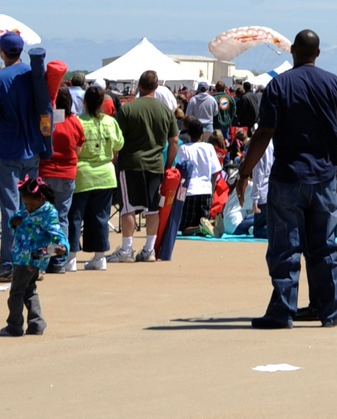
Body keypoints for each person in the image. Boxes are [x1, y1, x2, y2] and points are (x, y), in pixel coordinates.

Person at [236, 29, 337, 329]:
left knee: (286, 246)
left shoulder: (279, 85)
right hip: (324, 179)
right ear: (318, 53)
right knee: (325, 247)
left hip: (288, 177)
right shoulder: (335, 85)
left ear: (293, 50)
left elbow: (263, 133)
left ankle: (283, 310)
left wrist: (245, 172)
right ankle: (328, 311)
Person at [0, 32, 42, 283]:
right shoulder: (34, 76)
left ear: (2, 53)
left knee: (9, 210)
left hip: (6, 151)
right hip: (32, 150)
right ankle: (30, 263)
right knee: (32, 208)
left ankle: (8, 264)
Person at [111, 69, 178, 263]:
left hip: (131, 163)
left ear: (139, 86)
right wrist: (168, 164)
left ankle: (126, 249)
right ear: (156, 87)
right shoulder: (165, 110)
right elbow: (174, 141)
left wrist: (114, 160)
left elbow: (117, 139)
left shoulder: (128, 108)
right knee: (153, 209)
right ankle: (149, 249)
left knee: (128, 208)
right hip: (156, 164)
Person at [1, 175, 67, 337]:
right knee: (29, 290)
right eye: (26, 204)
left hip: (29, 258)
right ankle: (36, 323)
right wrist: (14, 220)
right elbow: (19, 216)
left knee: (16, 293)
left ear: (42, 198)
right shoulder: (27, 210)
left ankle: (14, 326)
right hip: (22, 256)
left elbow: (56, 232)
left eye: (32, 204)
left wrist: (62, 245)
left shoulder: (48, 213)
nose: (28, 208)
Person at [69, 84, 123, 271]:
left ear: (84, 102)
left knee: (75, 216)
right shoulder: (110, 122)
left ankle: (71, 258)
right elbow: (118, 146)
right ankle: (99, 257)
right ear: (102, 103)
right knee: (100, 216)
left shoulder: (78, 121)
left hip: (82, 174)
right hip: (106, 174)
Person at [39, 87, 85, 272]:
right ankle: (59, 261)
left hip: (46, 172)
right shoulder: (75, 122)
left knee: (44, 219)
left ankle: (43, 260)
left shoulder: (46, 120)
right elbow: (78, 150)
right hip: (67, 173)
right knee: (62, 218)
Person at [176, 116, 223, 233]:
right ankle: (209, 224)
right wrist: (211, 193)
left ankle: (200, 228)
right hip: (205, 191)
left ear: (188, 133)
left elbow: (181, 172)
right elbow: (214, 173)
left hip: (190, 191)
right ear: (202, 133)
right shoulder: (209, 148)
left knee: (185, 228)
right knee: (203, 219)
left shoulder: (184, 149)